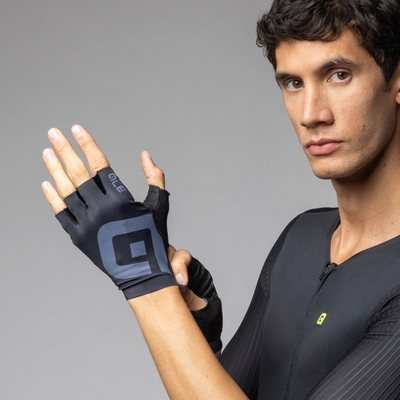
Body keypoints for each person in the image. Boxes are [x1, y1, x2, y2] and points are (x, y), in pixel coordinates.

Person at [41, 0, 400, 398]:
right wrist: (194, 330)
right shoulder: (302, 237)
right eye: (293, 83)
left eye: (338, 75)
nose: (311, 114)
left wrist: (146, 282)